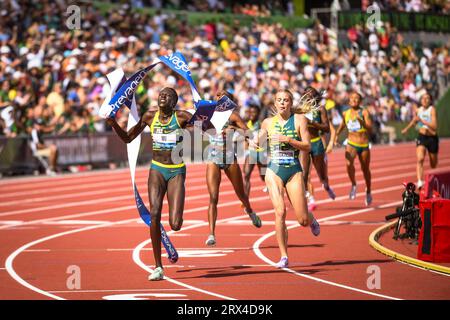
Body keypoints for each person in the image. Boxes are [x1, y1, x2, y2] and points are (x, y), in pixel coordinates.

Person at [107, 87, 192, 281]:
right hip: (157, 169)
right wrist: (113, 124)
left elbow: (207, 129)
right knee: (154, 214)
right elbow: (128, 138)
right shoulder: (149, 116)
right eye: (161, 94)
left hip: (176, 170)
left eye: (168, 95)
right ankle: (158, 267)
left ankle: (163, 228)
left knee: (176, 224)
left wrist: (203, 117)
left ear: (174, 101)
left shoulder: (181, 117)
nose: (163, 96)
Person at [253, 89, 320, 268]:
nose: (282, 103)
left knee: (302, 220)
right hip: (274, 170)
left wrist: (288, 139)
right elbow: (259, 140)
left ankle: (311, 219)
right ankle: (284, 256)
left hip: (293, 170)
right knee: (280, 212)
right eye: (279, 100)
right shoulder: (267, 122)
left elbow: (307, 146)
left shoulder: (300, 120)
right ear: (275, 103)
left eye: (286, 100)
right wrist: (253, 141)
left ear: (291, 103)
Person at [205, 90, 262, 247]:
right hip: (213, 158)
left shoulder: (234, 116)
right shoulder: (209, 114)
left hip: (230, 158)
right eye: (217, 94)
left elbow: (248, 133)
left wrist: (235, 129)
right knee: (213, 197)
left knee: (241, 194)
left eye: (223, 94)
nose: (219, 96)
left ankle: (250, 211)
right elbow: (196, 125)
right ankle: (211, 234)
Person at [335, 91, 373, 206]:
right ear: (349, 100)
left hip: (363, 144)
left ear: (360, 101)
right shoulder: (345, 113)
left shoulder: (364, 112)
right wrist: (336, 136)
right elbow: (342, 126)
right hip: (351, 143)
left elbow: (370, 128)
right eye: (352, 98)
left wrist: (361, 121)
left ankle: (368, 190)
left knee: (365, 169)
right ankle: (354, 184)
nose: (354, 100)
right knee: (348, 163)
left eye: (357, 98)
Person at [300, 87, 336, 211]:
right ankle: (310, 198)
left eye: (312, 94)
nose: (308, 96)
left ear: (316, 96)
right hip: (305, 144)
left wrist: (313, 123)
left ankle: (326, 185)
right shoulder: (300, 110)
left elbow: (326, 128)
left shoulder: (321, 109)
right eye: (306, 93)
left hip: (316, 143)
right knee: (304, 173)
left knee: (320, 173)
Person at [401, 92, 438, 188]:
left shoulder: (432, 110)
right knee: (420, 158)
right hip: (421, 136)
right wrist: (406, 129)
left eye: (427, 98)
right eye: (423, 98)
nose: (425, 100)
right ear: (421, 101)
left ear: (430, 101)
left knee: (433, 164)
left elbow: (434, 126)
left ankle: (432, 161)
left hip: (432, 138)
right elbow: (414, 120)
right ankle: (419, 181)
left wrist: (423, 121)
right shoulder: (419, 110)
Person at [243, 104, 268, 197]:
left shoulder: (262, 124)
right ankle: (245, 199)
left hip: (261, 153)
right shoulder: (246, 124)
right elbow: (246, 137)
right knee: (246, 174)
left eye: (254, 112)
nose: (251, 114)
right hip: (251, 153)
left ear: (258, 113)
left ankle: (274, 190)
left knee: (263, 177)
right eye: (250, 112)